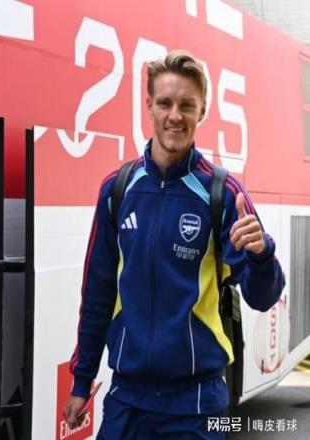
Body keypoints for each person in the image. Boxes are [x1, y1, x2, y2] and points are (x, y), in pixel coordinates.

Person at [63, 49, 285, 439]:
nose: (175, 115)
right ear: (149, 105)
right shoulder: (118, 189)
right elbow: (97, 292)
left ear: (202, 111)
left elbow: (263, 297)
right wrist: (82, 381)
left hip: (197, 404)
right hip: (127, 399)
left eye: (187, 105)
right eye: (165, 103)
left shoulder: (223, 193)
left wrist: (262, 254)